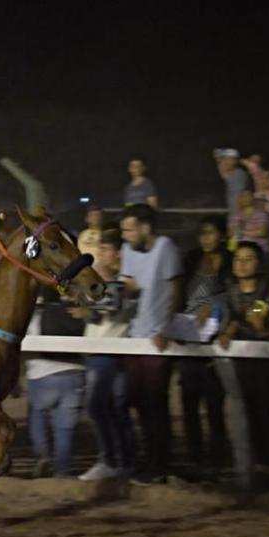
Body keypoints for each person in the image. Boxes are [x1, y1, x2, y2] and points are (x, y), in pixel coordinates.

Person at [119, 204, 182, 485]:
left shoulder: (166, 247)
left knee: (155, 402)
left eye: (130, 229)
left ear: (146, 227)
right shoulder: (129, 251)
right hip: (135, 337)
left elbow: (175, 290)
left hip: (156, 338)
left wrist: (167, 327)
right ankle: (150, 459)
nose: (126, 234)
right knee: (136, 401)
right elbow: (130, 286)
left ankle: (160, 464)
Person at [215, 242, 269, 478]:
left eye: (248, 259)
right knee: (249, 410)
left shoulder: (267, 292)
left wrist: (263, 330)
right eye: (238, 259)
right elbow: (234, 319)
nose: (242, 264)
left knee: (267, 411)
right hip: (243, 358)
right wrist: (228, 332)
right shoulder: (230, 291)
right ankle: (255, 465)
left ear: (259, 264)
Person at [78, 229, 135, 481]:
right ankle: (122, 462)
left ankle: (112, 461)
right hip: (98, 351)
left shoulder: (125, 282)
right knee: (111, 410)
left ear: (118, 254)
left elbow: (104, 308)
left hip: (110, 354)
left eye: (104, 249)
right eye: (98, 248)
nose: (99, 253)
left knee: (100, 408)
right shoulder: (100, 281)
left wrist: (87, 303)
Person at [178, 216, 230, 476]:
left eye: (211, 233)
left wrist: (218, 308)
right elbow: (178, 295)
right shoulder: (191, 259)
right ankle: (195, 458)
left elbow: (256, 302)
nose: (205, 238)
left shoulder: (234, 261)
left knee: (215, 406)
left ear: (222, 235)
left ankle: (219, 459)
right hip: (189, 339)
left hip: (219, 342)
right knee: (189, 405)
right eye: (202, 233)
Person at [24, 286, 86, 478]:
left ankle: (43, 456)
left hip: (42, 376)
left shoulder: (33, 316)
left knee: (38, 417)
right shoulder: (78, 314)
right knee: (64, 429)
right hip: (74, 375)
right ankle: (62, 471)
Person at [215, 148, 249, 222]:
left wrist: (219, 158)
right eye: (226, 160)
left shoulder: (239, 173)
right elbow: (223, 172)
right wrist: (219, 159)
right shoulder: (231, 173)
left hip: (242, 210)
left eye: (229, 159)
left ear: (235, 161)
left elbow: (224, 172)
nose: (226, 162)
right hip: (234, 211)